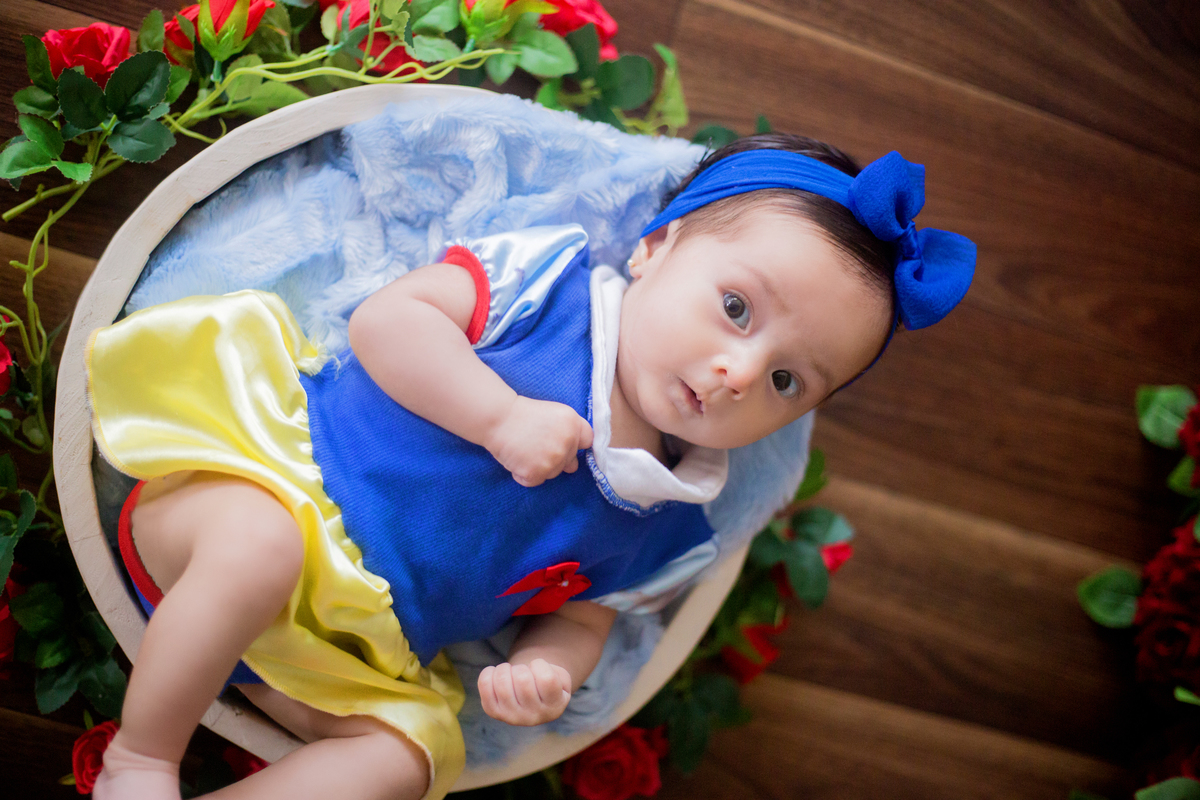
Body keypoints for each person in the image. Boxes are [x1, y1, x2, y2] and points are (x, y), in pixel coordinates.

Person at [87, 133, 975, 800]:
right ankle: (142, 755)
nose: (738, 373)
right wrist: (497, 414)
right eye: (736, 308)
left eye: (788, 379)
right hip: (256, 501)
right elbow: (388, 324)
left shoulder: (675, 524)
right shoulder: (547, 285)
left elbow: (583, 619)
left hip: (346, 657)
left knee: (412, 759)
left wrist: (551, 667)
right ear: (656, 249)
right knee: (261, 547)